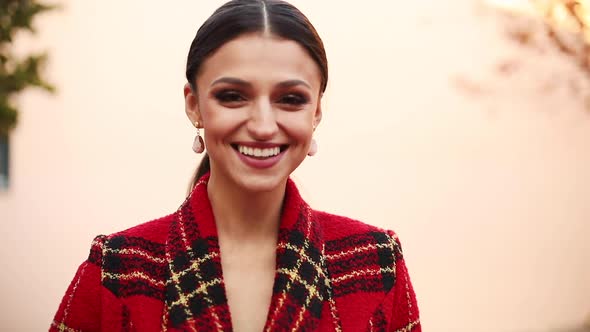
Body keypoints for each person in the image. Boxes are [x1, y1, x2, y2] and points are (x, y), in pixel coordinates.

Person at [50, 1, 421, 331]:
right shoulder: (117, 269)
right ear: (194, 105)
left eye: (290, 99)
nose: (262, 125)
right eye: (232, 96)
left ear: (317, 111)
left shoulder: (375, 262)